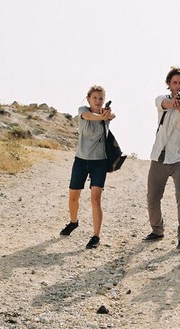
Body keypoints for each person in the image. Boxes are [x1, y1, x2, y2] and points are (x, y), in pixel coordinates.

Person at [143, 67, 180, 249]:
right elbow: (164, 105)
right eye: (174, 82)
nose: (178, 86)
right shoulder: (161, 99)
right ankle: (157, 230)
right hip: (159, 156)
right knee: (153, 197)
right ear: (169, 84)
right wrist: (174, 103)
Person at [59, 85, 116, 249]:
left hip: (99, 161)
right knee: (73, 197)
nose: (98, 101)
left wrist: (109, 114)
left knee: (95, 199)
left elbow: (113, 115)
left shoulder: (107, 115)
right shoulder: (83, 110)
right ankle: (73, 222)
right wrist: (103, 116)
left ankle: (96, 236)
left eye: (101, 98)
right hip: (81, 160)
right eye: (95, 98)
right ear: (88, 99)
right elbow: (89, 116)